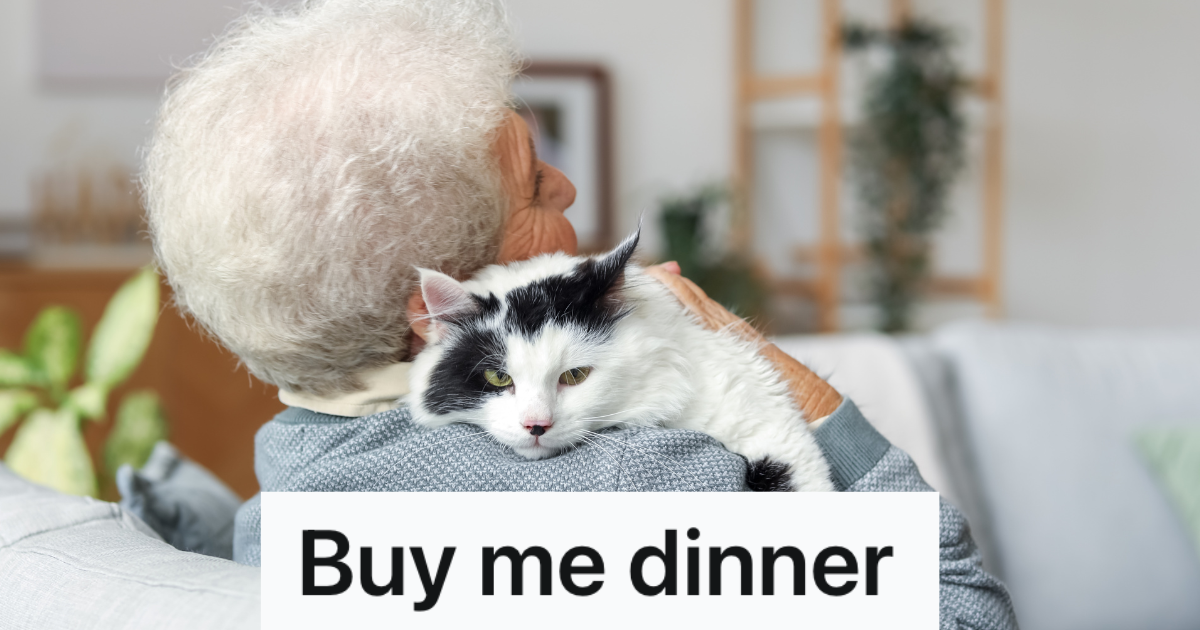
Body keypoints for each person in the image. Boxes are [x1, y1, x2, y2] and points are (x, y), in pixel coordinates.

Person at [138, 1, 1016, 627]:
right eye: (530, 185)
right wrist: (763, 364)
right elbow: (963, 611)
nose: (566, 186)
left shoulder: (289, 477)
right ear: (440, 312)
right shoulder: (634, 483)